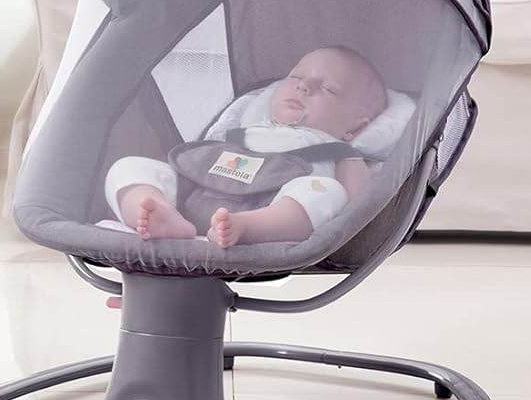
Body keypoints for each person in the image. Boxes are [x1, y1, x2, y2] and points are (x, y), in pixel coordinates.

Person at [104, 46, 387, 248]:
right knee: (130, 167)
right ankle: (158, 213)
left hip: (272, 208)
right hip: (200, 193)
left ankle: (248, 227)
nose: (304, 87)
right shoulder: (244, 130)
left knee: (327, 192)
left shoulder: (337, 149)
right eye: (295, 78)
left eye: (328, 89)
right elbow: (203, 159)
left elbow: (360, 207)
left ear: (355, 128)